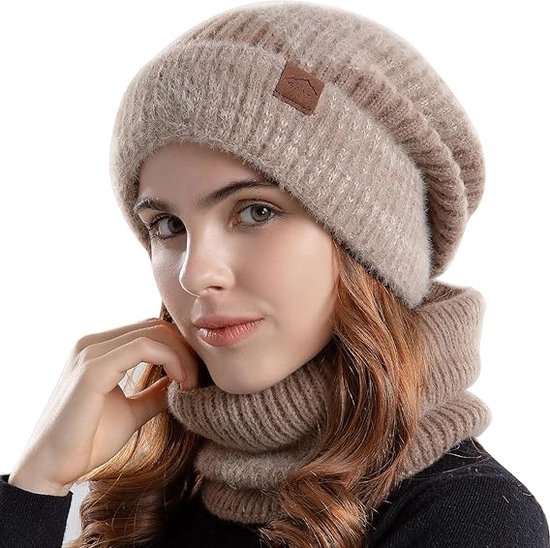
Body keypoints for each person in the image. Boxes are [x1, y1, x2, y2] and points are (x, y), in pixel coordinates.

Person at [1, 1, 548, 547]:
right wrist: (38, 483)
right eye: (168, 225)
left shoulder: (470, 520)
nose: (195, 274)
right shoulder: (148, 494)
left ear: (370, 250)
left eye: (256, 211)